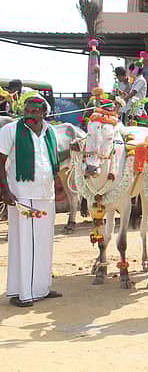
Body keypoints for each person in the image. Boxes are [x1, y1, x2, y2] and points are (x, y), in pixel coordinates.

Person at [0, 94, 63, 307]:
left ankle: (42, 288)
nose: (29, 115)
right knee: (25, 245)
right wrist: (4, 191)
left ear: (44, 113)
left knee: (44, 243)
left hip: (46, 195)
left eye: (35, 111)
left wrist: (60, 187)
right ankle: (23, 292)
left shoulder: (50, 132)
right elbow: (0, 162)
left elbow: (53, 163)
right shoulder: (10, 131)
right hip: (22, 195)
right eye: (27, 111)